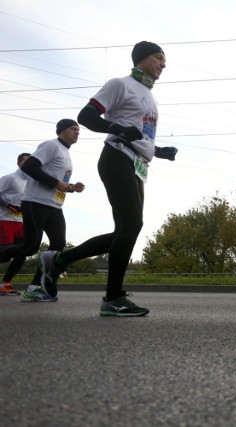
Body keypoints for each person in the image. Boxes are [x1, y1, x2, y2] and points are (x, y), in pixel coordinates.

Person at [38, 41, 177, 317]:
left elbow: (138, 135)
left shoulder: (150, 97)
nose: (163, 64)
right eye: (158, 58)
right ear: (141, 59)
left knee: (127, 229)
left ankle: (58, 260)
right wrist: (116, 128)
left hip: (136, 164)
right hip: (115, 158)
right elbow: (86, 116)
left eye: (165, 60)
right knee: (131, 225)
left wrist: (159, 151)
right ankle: (112, 298)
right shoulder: (120, 84)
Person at [0, 120, 84, 303]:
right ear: (62, 131)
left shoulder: (66, 154)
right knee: (29, 247)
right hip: (35, 202)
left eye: (79, 130)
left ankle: (35, 287)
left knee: (57, 245)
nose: (77, 132)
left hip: (54, 206)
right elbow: (30, 167)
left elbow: (57, 182)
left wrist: (71, 187)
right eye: (73, 129)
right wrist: (55, 183)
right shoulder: (51, 145)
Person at [0, 152, 31, 295]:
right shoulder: (10, 178)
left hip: (21, 222)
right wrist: (7, 205)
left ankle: (5, 283)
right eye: (26, 161)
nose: (29, 164)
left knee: (24, 251)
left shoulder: (31, 182)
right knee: (5, 254)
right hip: (5, 220)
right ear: (19, 163)